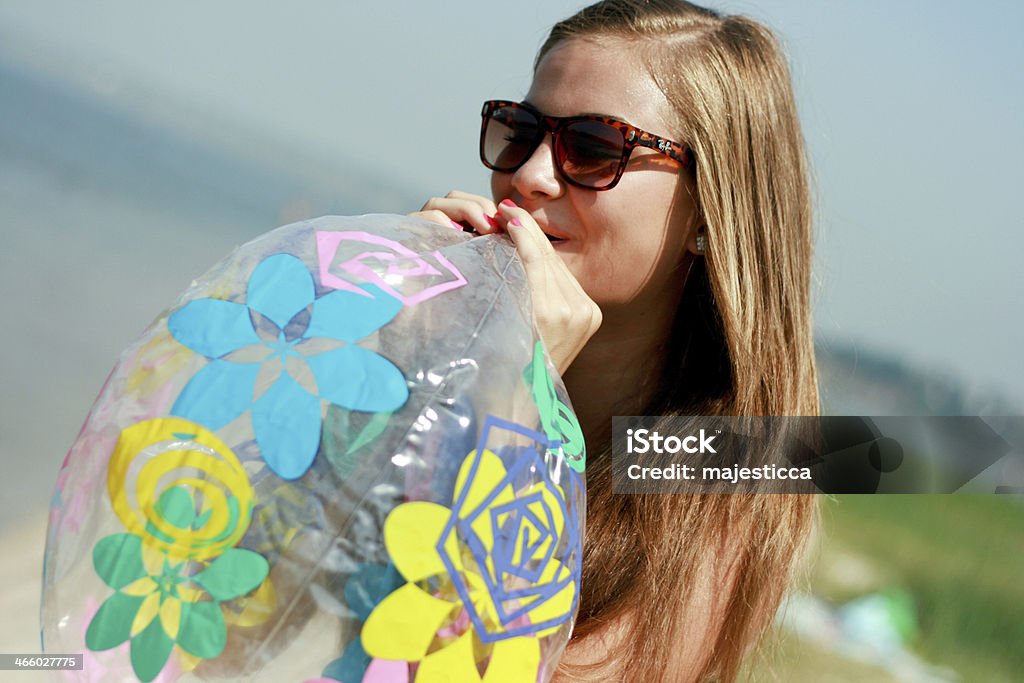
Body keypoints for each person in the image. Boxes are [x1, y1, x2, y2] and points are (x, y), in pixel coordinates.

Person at [412, 1, 819, 680]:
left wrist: (518, 391)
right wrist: (403, 347)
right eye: (521, 131)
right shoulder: (439, 345)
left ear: (710, 214)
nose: (530, 175)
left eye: (595, 148)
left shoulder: (726, 460)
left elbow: (465, 660)